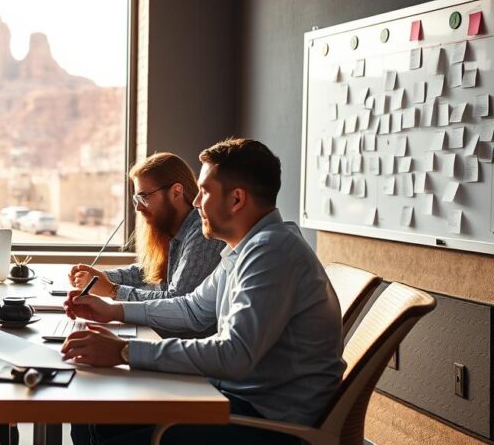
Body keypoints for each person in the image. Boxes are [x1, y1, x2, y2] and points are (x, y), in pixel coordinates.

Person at [62, 138, 345, 445]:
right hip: (234, 398)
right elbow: (193, 310)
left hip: (268, 423)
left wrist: (123, 351)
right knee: (97, 417)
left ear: (236, 199)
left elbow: (234, 354)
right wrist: (114, 310)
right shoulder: (244, 249)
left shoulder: (272, 252)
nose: (196, 202)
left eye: (205, 191)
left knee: (107, 425)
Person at [68, 152, 223, 302]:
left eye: (144, 197)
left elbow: (176, 300)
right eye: (137, 199)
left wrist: (111, 290)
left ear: (176, 192)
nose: (138, 208)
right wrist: (100, 277)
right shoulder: (173, 227)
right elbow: (148, 270)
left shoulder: (201, 233)